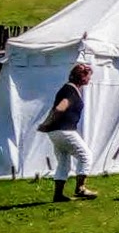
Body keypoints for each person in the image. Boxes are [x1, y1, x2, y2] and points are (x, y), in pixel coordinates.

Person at [36, 62, 96, 203]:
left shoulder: (68, 89)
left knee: (63, 162)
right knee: (85, 156)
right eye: (89, 76)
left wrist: (47, 124)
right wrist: (48, 123)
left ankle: (58, 195)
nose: (89, 79)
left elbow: (55, 109)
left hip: (55, 132)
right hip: (65, 131)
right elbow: (60, 108)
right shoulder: (71, 91)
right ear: (82, 77)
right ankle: (80, 188)